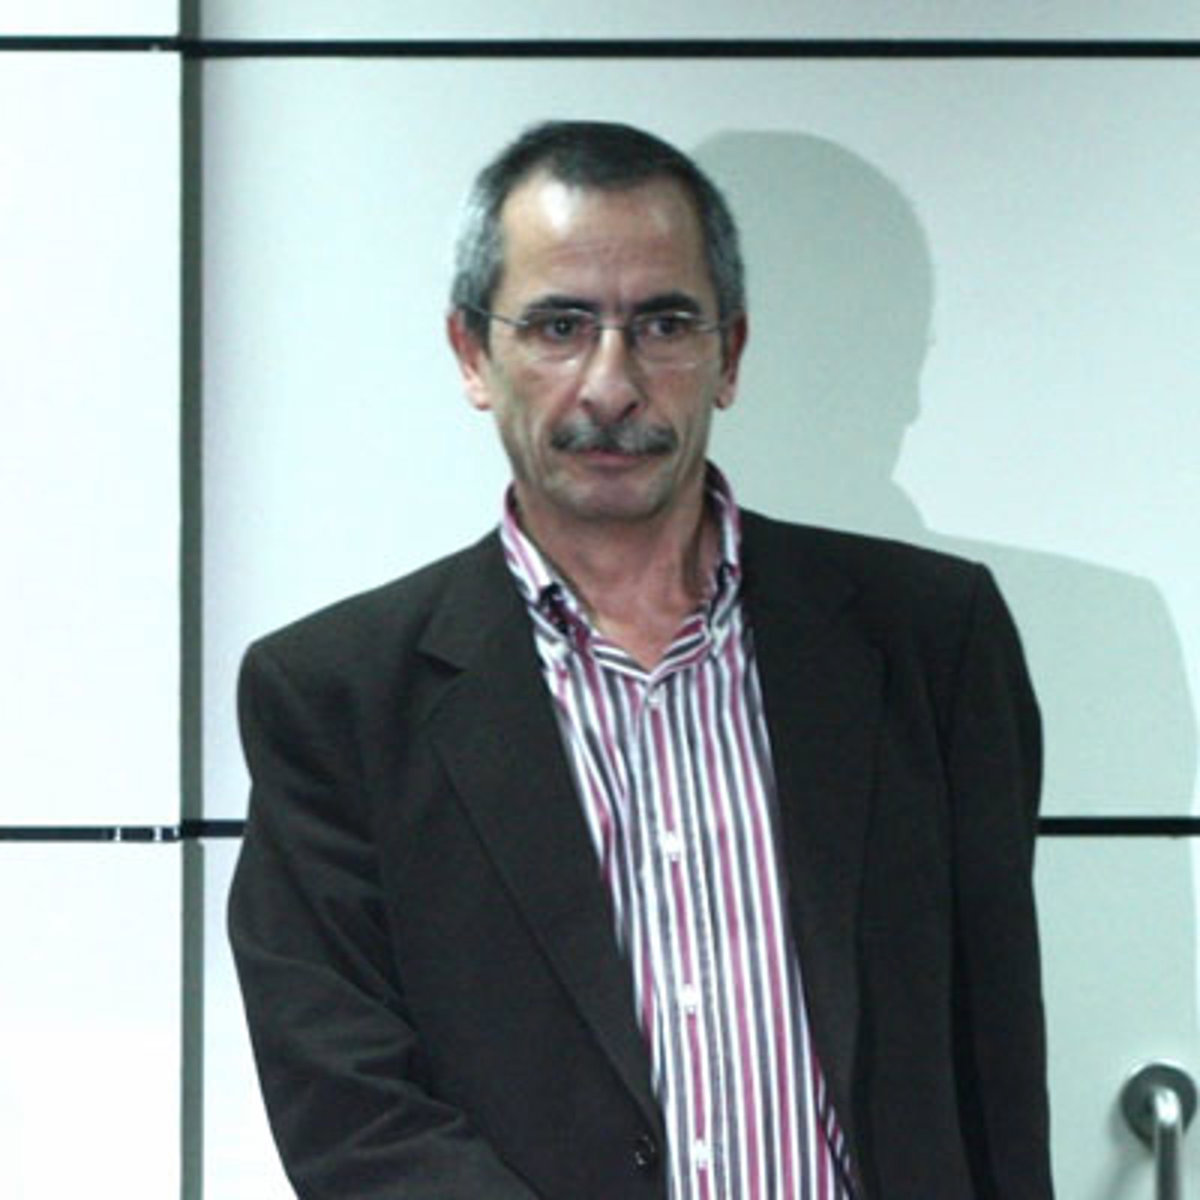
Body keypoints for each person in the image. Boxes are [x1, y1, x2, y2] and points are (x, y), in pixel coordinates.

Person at [229, 120, 1053, 1200]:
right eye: (559, 326)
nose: (610, 386)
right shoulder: (336, 697)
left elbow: (995, 1067)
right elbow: (350, 1112)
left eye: (663, 324)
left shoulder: (931, 640)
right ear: (473, 355)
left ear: (730, 355)